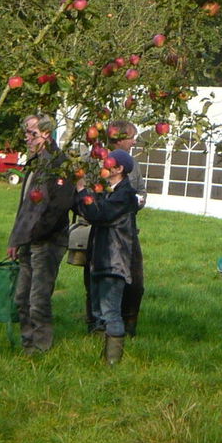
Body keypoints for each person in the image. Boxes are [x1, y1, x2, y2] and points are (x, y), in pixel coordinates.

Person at [7, 114, 75, 355]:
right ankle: (27, 343)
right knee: (21, 298)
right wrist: (15, 238)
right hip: (28, 239)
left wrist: (36, 233)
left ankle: (40, 347)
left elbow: (59, 206)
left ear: (46, 134)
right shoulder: (34, 163)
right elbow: (25, 205)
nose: (27, 137)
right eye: (26, 132)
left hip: (48, 241)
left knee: (38, 298)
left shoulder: (59, 164)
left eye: (32, 133)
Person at [75, 148, 141, 364]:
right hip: (100, 258)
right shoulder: (108, 191)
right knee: (99, 309)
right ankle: (106, 356)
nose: (104, 165)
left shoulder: (124, 195)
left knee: (111, 310)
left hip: (114, 261)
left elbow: (98, 214)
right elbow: (87, 210)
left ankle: (113, 362)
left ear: (119, 168)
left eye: (108, 163)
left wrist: (81, 189)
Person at [83, 119, 147, 337]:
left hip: (124, 230)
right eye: (131, 137)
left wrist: (134, 202)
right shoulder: (97, 160)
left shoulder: (132, 165)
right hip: (100, 230)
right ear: (117, 137)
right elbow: (92, 196)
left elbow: (141, 192)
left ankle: (124, 327)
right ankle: (97, 326)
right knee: (96, 278)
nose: (133, 142)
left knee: (132, 281)